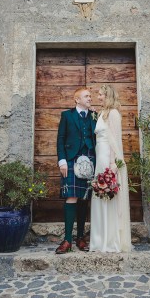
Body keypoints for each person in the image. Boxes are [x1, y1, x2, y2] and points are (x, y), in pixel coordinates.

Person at [89, 84, 132, 253]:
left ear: (107, 96)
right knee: (99, 194)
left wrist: (114, 163)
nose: (98, 97)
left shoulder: (114, 114)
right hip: (100, 155)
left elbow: (115, 139)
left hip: (108, 156)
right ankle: (99, 239)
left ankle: (110, 240)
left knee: (108, 194)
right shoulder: (102, 113)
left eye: (100, 94)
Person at [56, 87, 96, 254]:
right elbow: (61, 138)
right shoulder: (67, 115)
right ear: (77, 99)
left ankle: (80, 237)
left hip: (90, 160)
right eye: (86, 96)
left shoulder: (94, 115)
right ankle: (67, 240)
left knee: (84, 198)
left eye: (90, 96)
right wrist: (62, 161)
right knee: (71, 197)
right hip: (71, 160)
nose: (90, 98)